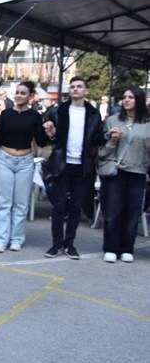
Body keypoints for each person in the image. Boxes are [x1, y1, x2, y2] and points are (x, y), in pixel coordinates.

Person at [42, 77, 106, 259]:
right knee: (58, 206)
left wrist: (108, 136)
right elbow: (50, 138)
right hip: (62, 163)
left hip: (83, 165)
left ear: (85, 91)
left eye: (79, 86)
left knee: (76, 207)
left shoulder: (93, 114)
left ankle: (69, 244)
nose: (75, 89)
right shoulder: (58, 111)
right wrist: (51, 134)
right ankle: (56, 245)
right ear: (69, 91)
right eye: (72, 87)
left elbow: (96, 139)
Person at [0, 81, 54, 253]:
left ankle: (16, 239)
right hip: (5, 158)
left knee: (21, 202)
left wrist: (49, 133)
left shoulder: (35, 116)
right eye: (17, 92)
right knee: (3, 202)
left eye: (23, 93)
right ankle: (0, 239)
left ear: (30, 96)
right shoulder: (5, 114)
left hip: (25, 161)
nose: (18, 95)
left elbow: (41, 141)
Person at [98, 87, 150, 263]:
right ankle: (111, 248)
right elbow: (103, 152)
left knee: (133, 212)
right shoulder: (113, 120)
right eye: (125, 97)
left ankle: (127, 248)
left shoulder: (147, 123)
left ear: (139, 100)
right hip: (116, 171)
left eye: (131, 97)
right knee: (113, 211)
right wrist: (113, 139)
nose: (126, 100)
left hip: (138, 171)